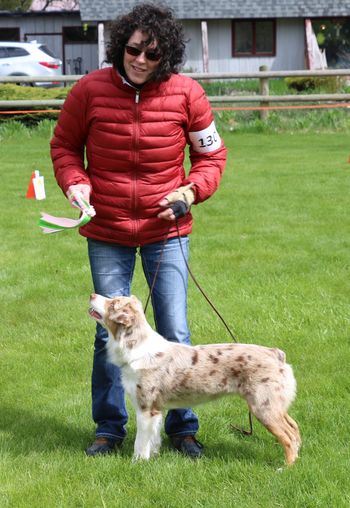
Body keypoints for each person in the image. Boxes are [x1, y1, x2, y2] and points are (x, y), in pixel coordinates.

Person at [50, 2, 227, 458]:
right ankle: (109, 429)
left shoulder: (188, 93)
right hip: (106, 229)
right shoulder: (89, 90)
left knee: (175, 330)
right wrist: (75, 184)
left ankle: (182, 428)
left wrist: (189, 192)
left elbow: (212, 158)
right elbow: (65, 147)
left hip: (167, 232)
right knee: (106, 332)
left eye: (153, 54)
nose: (141, 60)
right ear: (119, 46)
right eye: (133, 50)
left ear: (166, 57)